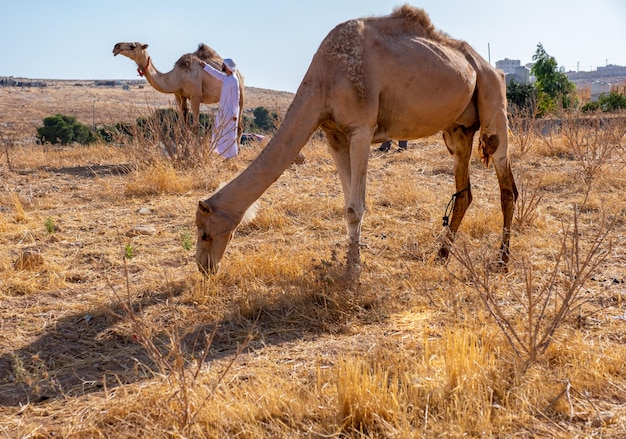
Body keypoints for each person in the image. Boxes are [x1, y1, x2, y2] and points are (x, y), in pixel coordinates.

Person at [199, 58, 240, 158]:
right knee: (219, 130)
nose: (222, 66)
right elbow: (216, 74)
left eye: (223, 65)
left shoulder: (234, 80)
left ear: (227, 67)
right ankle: (222, 154)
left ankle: (231, 155)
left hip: (230, 112)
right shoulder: (227, 78)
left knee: (229, 133)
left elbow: (236, 98)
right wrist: (205, 66)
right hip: (223, 110)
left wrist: (234, 114)